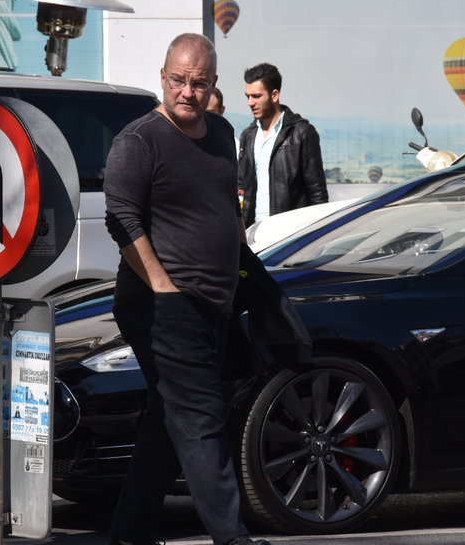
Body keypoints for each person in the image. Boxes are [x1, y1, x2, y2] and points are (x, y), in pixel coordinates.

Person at [103, 33, 270, 545]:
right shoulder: (139, 140)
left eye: (198, 83)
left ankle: (130, 533)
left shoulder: (221, 133)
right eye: (178, 80)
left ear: (213, 84)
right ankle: (232, 538)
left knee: (168, 419)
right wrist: (164, 289)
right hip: (160, 305)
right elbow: (120, 219)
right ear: (163, 77)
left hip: (213, 303)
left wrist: (242, 264)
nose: (187, 92)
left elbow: (227, 204)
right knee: (201, 418)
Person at [238, 62, 328, 226]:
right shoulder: (247, 136)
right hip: (253, 231)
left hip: (289, 231)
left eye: (256, 96)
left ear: (274, 95)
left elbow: (318, 194)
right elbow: (241, 188)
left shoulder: (302, 133)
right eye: (248, 96)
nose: (250, 103)